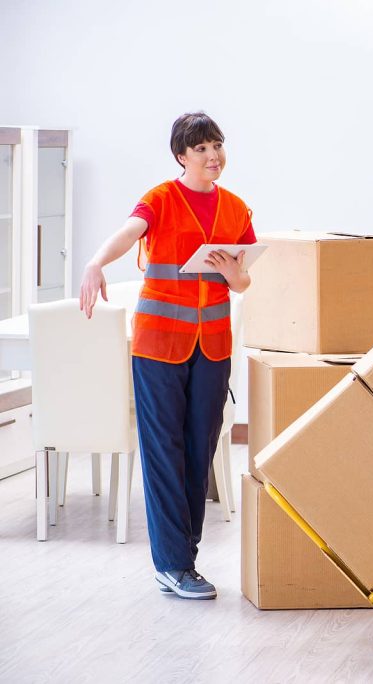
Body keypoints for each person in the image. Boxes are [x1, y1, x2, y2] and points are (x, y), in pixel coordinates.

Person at [79, 112, 255, 600]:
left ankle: (184, 558)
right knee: (164, 451)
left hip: (212, 345)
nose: (212, 155)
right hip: (159, 346)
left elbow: (243, 281)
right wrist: (95, 263)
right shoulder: (161, 198)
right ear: (181, 155)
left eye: (216, 145)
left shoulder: (237, 208)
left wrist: (233, 274)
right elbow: (130, 231)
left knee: (199, 449)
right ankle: (174, 564)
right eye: (200, 148)